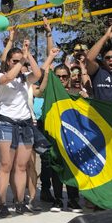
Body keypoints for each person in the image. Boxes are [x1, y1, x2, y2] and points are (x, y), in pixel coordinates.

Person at [0, 39, 42, 217]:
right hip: (6, 123)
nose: (19, 64)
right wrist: (21, 60)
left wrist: (28, 56)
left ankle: (20, 201)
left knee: (21, 167)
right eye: (14, 61)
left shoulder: (25, 79)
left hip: (25, 124)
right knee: (5, 165)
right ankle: (2, 202)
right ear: (8, 62)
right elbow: (7, 78)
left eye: (20, 61)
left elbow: (37, 74)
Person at [36, 59, 83, 213]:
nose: (61, 79)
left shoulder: (76, 94)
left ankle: (73, 200)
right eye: (58, 76)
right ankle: (57, 199)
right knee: (55, 166)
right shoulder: (47, 93)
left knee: (72, 167)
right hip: (53, 137)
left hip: (72, 138)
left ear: (69, 77)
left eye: (64, 76)